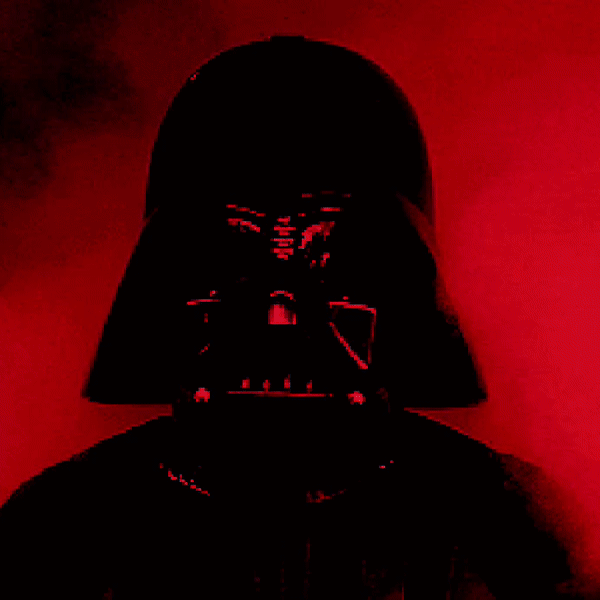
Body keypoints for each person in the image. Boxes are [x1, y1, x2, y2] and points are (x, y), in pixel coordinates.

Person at [0, 36, 577, 599]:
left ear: (398, 287)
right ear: (170, 282)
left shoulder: (510, 526)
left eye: (326, 257)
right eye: (236, 258)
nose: (279, 315)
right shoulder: (56, 530)